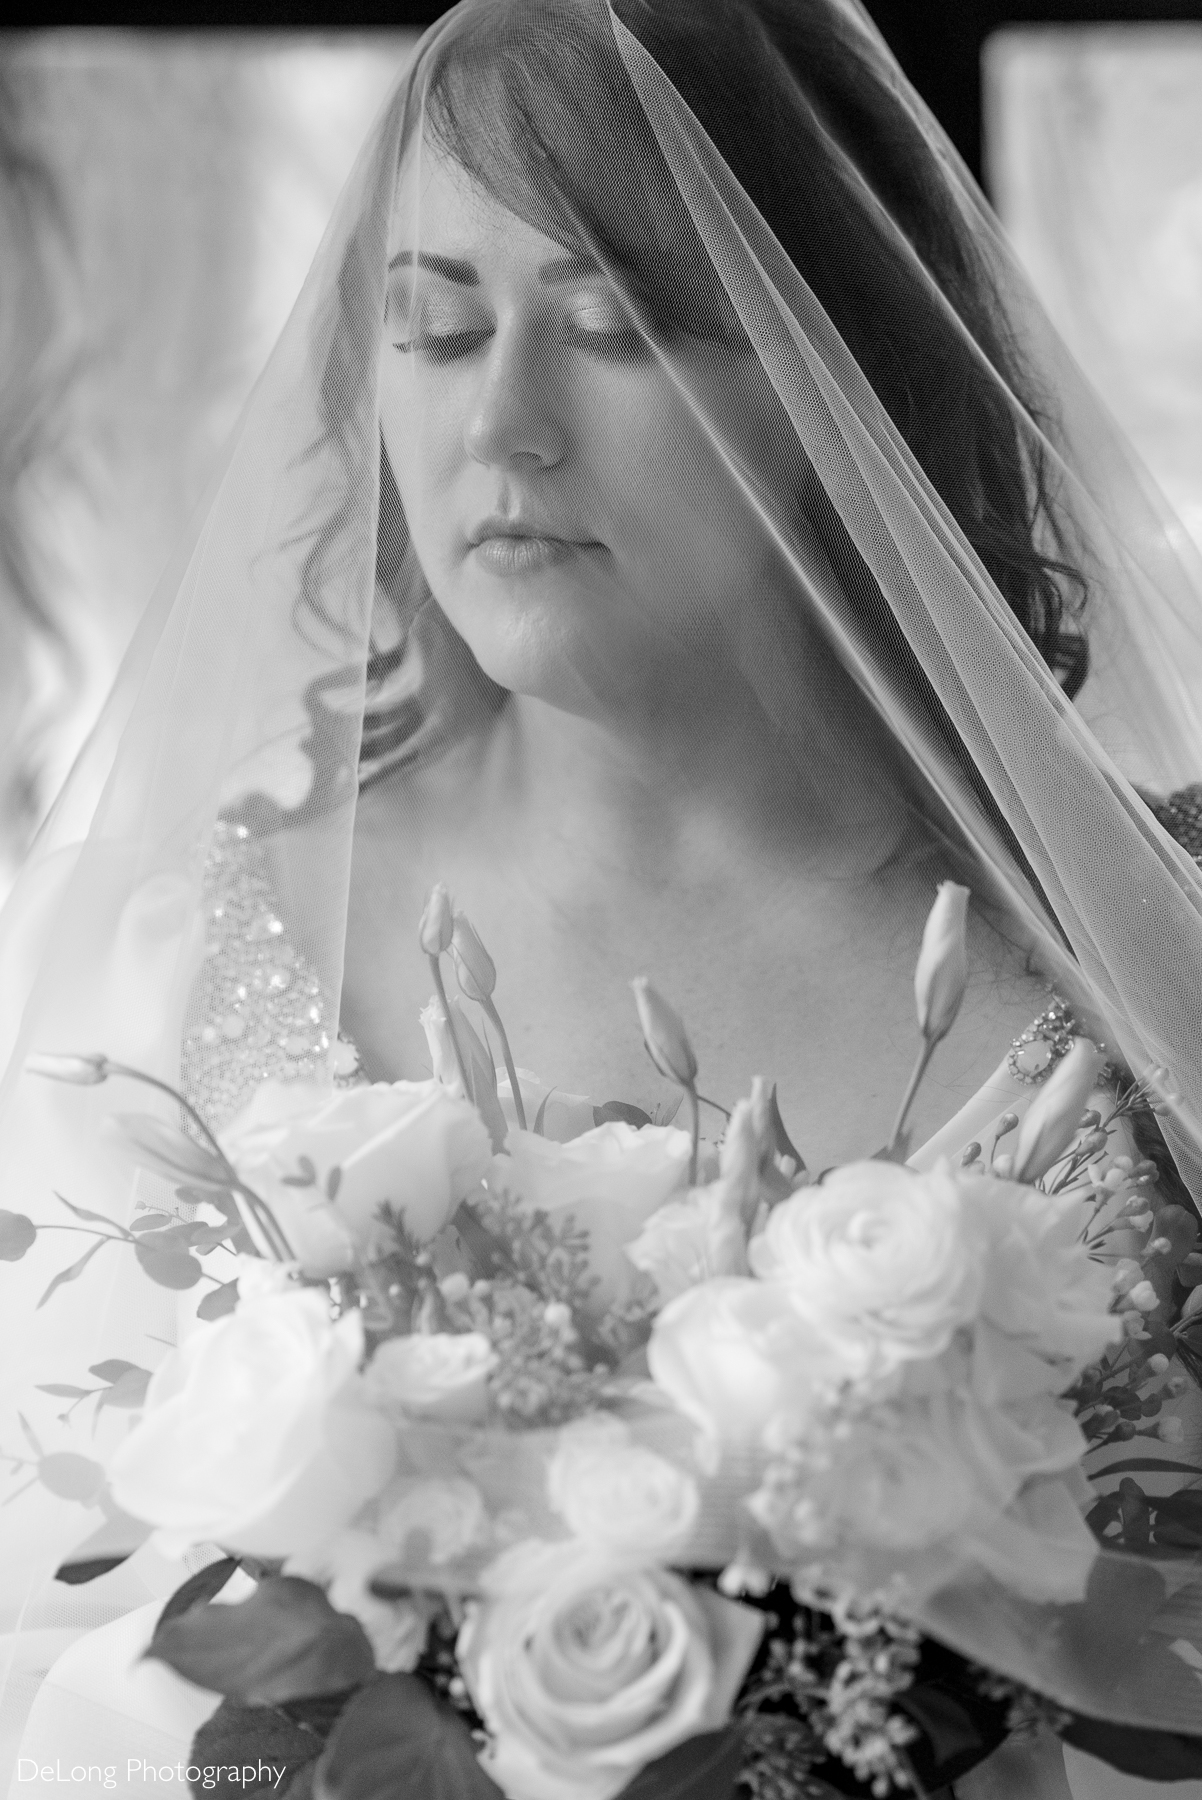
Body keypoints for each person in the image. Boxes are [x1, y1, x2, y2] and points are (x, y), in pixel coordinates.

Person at [3, 2, 1202, 1795]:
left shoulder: (1141, 959)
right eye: (431, 323)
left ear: (836, 374)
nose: (501, 423)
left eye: (612, 326)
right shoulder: (130, 969)